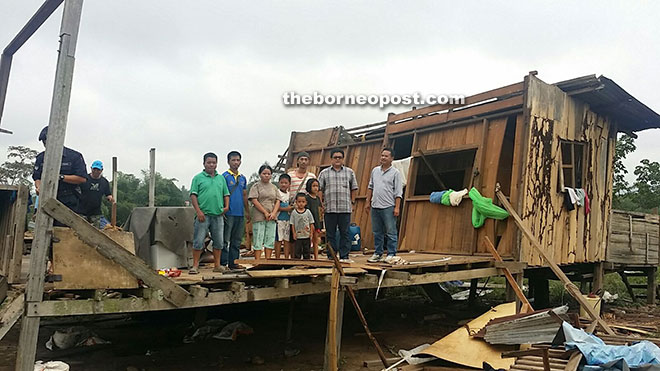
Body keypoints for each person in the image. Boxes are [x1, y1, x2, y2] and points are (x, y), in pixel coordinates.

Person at [32, 126, 87, 217]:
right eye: (44, 142)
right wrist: (39, 187)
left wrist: (60, 177)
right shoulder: (41, 158)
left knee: (67, 230)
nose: (46, 144)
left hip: (69, 201)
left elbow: (82, 178)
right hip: (47, 199)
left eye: (47, 141)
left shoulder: (74, 156)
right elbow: (37, 177)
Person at [189, 152, 230, 274]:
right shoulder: (198, 178)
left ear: (217, 164)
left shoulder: (220, 178)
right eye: (209, 162)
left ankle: (217, 265)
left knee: (218, 241)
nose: (211, 165)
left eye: (214, 163)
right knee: (198, 240)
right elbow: (193, 195)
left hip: (218, 215)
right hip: (203, 215)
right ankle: (195, 265)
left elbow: (226, 194)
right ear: (204, 163)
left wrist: (226, 207)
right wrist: (198, 211)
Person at [318, 148, 358, 262]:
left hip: (345, 207)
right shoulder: (324, 173)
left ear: (343, 159)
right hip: (329, 208)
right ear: (331, 159)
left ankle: (344, 256)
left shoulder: (349, 172)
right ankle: (332, 256)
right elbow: (320, 189)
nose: (337, 159)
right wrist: (321, 204)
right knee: (330, 233)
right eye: (335, 157)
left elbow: (354, 188)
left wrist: (353, 202)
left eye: (339, 157)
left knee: (345, 232)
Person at [365, 148, 403, 263]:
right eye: (382, 155)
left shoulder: (395, 173)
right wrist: (368, 202)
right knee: (377, 231)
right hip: (375, 205)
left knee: (391, 231)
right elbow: (370, 187)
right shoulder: (375, 171)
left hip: (388, 206)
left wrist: (397, 207)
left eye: (386, 156)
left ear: (392, 158)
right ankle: (378, 253)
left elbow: (398, 192)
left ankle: (391, 253)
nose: (383, 158)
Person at [221, 151, 249, 270]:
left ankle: (233, 263)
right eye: (233, 160)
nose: (236, 162)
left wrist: (247, 211)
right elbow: (221, 194)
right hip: (229, 212)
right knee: (225, 239)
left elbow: (244, 195)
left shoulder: (242, 178)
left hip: (240, 213)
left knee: (236, 240)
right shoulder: (224, 177)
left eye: (238, 160)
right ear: (228, 161)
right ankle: (223, 263)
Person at [248, 165, 280, 260]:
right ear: (260, 174)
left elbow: (278, 200)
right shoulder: (256, 186)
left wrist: (273, 213)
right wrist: (265, 212)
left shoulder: (274, 187)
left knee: (270, 238)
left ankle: (267, 260)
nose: (266, 175)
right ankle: (257, 260)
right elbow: (254, 200)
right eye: (264, 173)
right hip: (259, 216)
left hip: (272, 216)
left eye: (268, 174)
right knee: (258, 237)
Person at [79, 160, 114, 228]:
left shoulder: (104, 182)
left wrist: (110, 198)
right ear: (91, 168)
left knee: (95, 231)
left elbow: (108, 194)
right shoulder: (84, 179)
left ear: (101, 170)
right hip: (82, 210)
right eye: (94, 169)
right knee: (80, 229)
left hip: (96, 212)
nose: (96, 171)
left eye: (98, 170)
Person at [290, 193, 315, 259]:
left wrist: (311, 233)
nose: (301, 203)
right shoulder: (294, 212)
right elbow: (292, 224)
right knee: (297, 251)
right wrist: (294, 233)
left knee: (306, 250)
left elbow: (311, 223)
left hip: (306, 235)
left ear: (306, 202)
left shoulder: (308, 212)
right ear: (296, 202)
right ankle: (297, 263)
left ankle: (306, 263)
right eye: (299, 202)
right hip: (298, 236)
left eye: (303, 202)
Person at [275, 174, 293, 259]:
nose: (283, 185)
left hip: (288, 220)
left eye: (286, 183)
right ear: (279, 183)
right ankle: (277, 258)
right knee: (279, 240)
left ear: (289, 184)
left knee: (287, 240)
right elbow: (276, 207)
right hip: (279, 220)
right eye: (282, 182)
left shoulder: (289, 195)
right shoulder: (277, 193)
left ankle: (286, 258)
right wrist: (287, 208)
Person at [305, 178, 322, 260]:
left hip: (317, 222)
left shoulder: (318, 199)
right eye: (313, 186)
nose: (316, 188)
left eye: (317, 186)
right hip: (308, 223)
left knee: (316, 241)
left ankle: (316, 258)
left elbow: (319, 211)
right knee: (307, 240)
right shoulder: (307, 198)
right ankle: (307, 256)